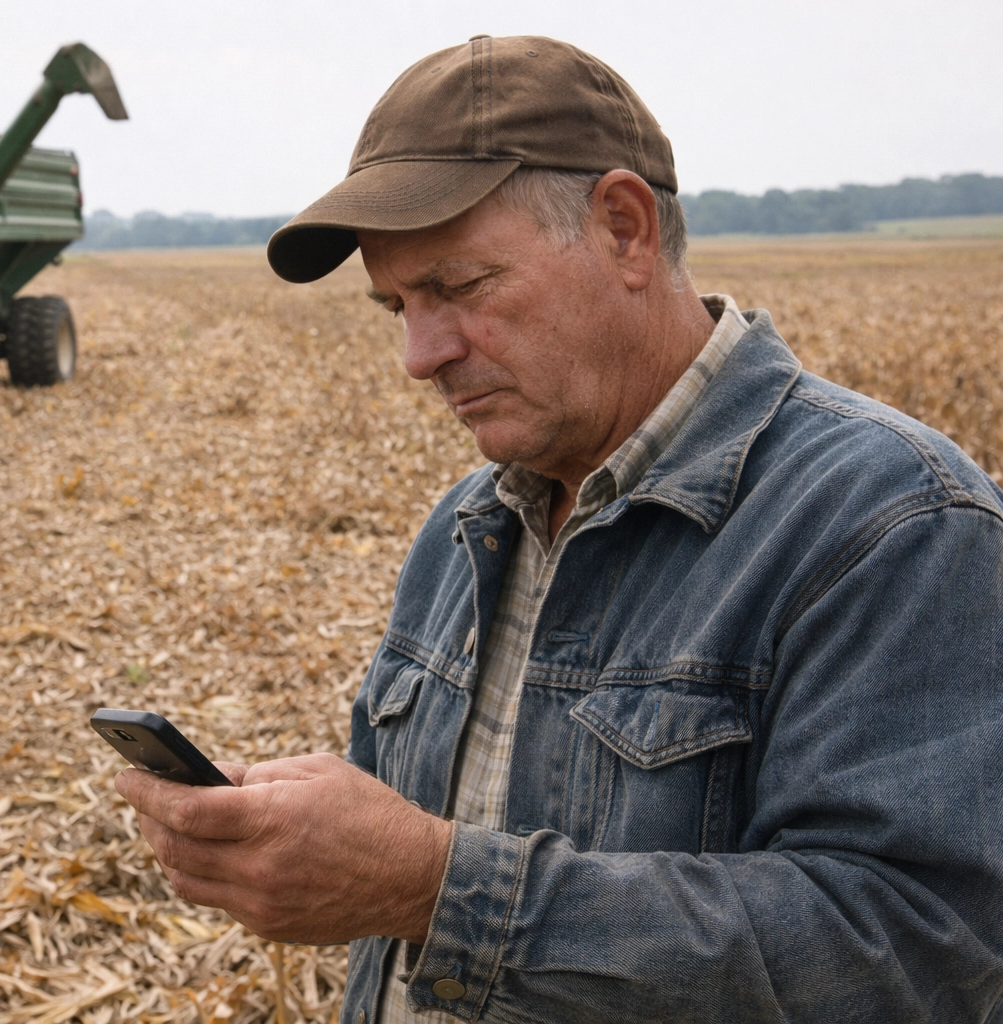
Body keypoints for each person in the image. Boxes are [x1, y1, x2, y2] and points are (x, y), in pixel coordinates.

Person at [115, 35, 1003, 1023]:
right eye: (396, 306)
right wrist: (311, 848)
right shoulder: (465, 527)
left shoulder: (889, 522)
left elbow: (918, 953)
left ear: (623, 228)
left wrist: (433, 886)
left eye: (457, 287)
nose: (420, 354)